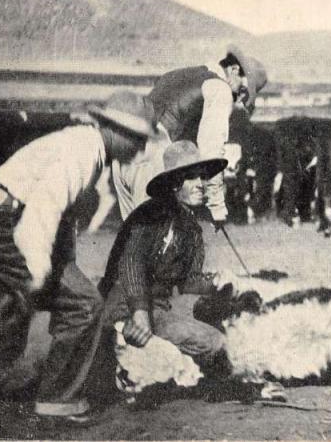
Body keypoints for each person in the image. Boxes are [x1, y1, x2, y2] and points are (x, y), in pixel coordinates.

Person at [0, 93, 155, 425]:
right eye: (135, 138)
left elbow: (62, 226)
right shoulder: (81, 151)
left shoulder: (89, 149)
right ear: (112, 129)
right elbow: (44, 209)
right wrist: (37, 273)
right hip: (6, 228)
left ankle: (38, 398)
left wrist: (55, 279)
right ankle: (57, 402)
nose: (140, 149)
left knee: (6, 332)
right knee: (81, 304)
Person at [99, 141, 236, 388]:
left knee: (216, 342)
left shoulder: (191, 229)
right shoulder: (151, 214)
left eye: (202, 177)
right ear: (174, 184)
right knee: (184, 355)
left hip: (155, 310)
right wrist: (139, 314)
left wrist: (218, 283)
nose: (201, 185)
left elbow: (188, 280)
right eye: (191, 178)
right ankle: (121, 349)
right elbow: (131, 262)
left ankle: (141, 356)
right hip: (124, 305)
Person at [111, 45, 267, 225]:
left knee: (133, 241)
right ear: (234, 70)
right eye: (243, 90)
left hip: (122, 153)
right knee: (156, 240)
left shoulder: (179, 74)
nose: (239, 99)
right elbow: (211, 152)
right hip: (152, 158)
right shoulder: (220, 89)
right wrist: (216, 207)